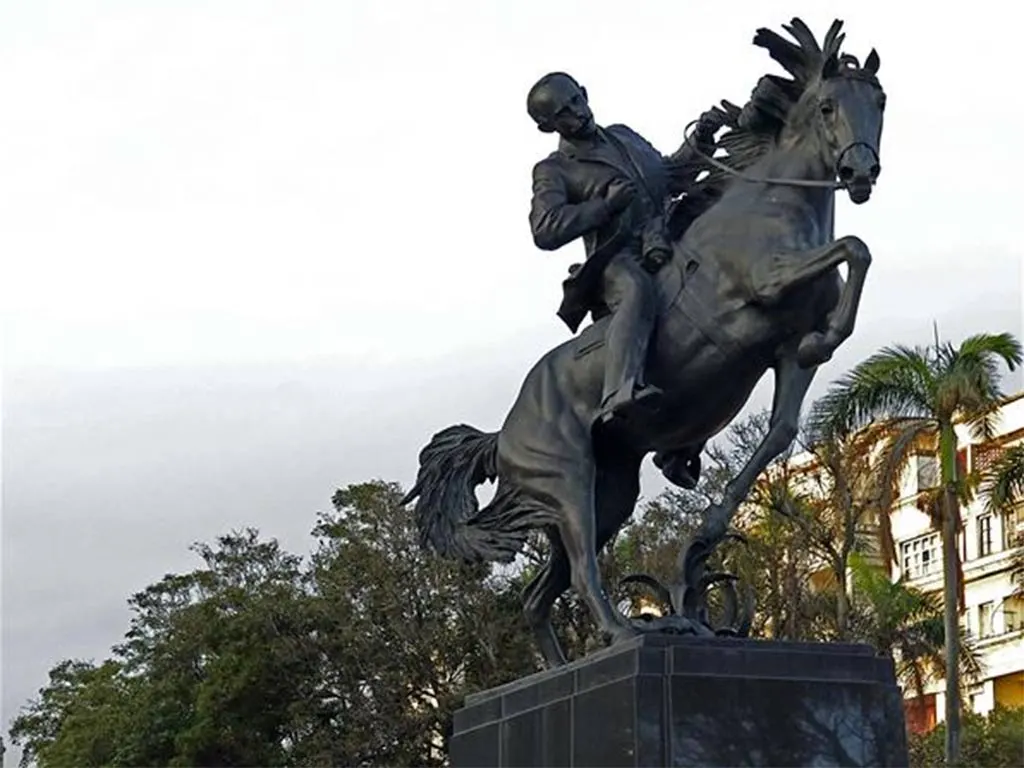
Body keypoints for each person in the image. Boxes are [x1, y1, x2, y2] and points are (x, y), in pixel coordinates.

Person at [527, 71, 722, 424]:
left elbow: (671, 175)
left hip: (664, 237)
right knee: (635, 291)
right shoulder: (553, 170)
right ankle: (620, 390)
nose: (578, 112)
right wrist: (603, 207)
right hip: (616, 260)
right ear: (548, 126)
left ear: (584, 92)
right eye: (564, 113)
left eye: (576, 100)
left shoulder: (623, 135)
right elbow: (544, 229)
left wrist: (702, 139)